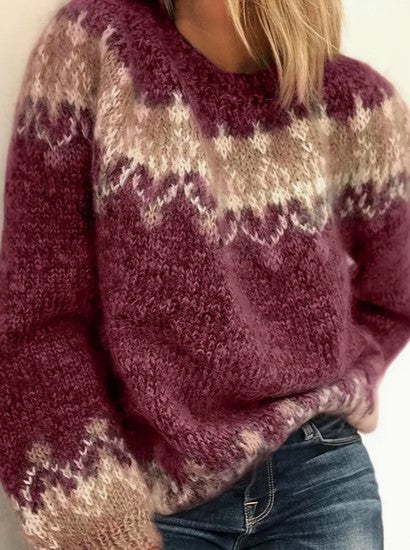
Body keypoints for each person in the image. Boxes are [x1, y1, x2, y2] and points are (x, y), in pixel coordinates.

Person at [0, 0, 409, 548]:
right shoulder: (99, 46)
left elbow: (393, 295)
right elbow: (37, 315)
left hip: (319, 475)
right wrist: (92, 515)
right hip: (149, 496)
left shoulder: (357, 106)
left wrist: (340, 368)